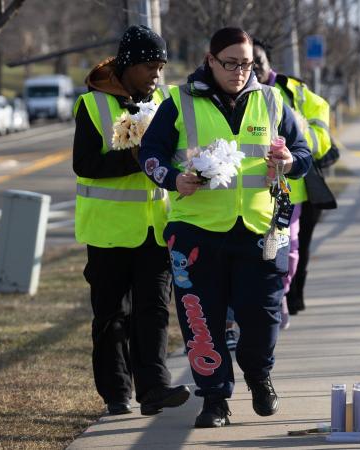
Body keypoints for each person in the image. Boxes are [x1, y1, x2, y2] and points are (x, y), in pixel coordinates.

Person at [139, 27, 312, 428]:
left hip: (259, 230)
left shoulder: (271, 100)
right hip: (196, 231)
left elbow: (303, 152)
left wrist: (287, 163)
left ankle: (259, 374)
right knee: (202, 318)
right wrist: (172, 178)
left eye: (246, 64)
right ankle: (215, 399)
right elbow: (151, 153)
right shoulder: (179, 101)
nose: (238, 71)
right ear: (210, 60)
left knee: (263, 315)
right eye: (229, 63)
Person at [73, 25, 190, 417]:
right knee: (112, 317)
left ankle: (154, 388)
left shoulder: (164, 103)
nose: (156, 75)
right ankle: (116, 393)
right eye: (148, 66)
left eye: (160, 67)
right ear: (127, 65)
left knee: (154, 310)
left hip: (155, 229)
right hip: (108, 233)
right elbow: (84, 164)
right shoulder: (92, 105)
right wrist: (134, 157)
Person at [253, 39, 336, 322]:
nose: (251, 70)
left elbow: (322, 138)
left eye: (257, 62)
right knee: (262, 255)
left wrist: (298, 135)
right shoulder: (233, 93)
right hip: (254, 193)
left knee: (289, 251)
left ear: (269, 62)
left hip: (293, 191)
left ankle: (283, 298)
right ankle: (271, 303)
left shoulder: (293, 92)